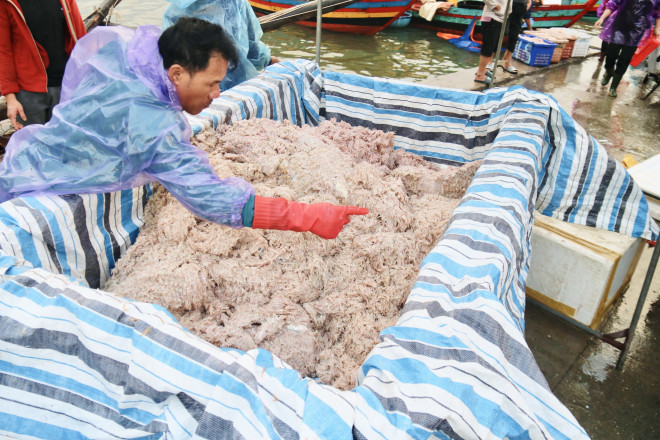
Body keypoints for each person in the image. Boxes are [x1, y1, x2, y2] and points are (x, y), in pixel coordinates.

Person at [0, 17, 368, 239]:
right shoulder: (155, 128)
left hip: (31, 151)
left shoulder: (138, 58)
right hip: (34, 185)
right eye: (211, 83)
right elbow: (212, 199)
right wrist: (310, 216)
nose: (217, 93)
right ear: (176, 74)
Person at [0, 0, 86, 131]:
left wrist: (87, 76)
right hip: (28, 93)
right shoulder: (6, 3)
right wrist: (10, 98)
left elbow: (79, 35)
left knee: (65, 143)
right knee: (32, 145)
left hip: (65, 84)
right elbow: (3, 51)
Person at [162, 0, 279, 92]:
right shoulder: (236, 3)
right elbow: (253, 49)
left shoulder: (171, 15)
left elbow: (171, 62)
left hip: (196, 95)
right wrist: (268, 60)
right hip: (239, 89)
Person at [595, 0, 660, 97]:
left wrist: (657, 28)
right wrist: (602, 18)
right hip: (619, 26)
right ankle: (609, 72)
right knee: (610, 55)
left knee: (624, 60)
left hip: (637, 31)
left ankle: (613, 87)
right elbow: (612, 4)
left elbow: (658, 13)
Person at [475, 0, 507, 84]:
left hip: (500, 19)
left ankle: (483, 70)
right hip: (491, 17)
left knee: (493, 46)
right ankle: (480, 75)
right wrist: (496, 5)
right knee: (488, 46)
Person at [498, 0, 532, 74]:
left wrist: (526, 6)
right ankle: (491, 63)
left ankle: (507, 62)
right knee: (500, 34)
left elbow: (529, 1)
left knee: (514, 36)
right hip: (506, 9)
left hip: (519, 10)